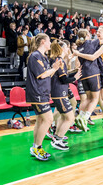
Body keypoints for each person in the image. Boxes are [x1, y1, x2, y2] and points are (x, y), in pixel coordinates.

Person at [73, 24, 103, 133]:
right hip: (97, 72)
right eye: (98, 30)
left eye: (100, 31)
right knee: (97, 97)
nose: (97, 32)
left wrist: (78, 52)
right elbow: (85, 42)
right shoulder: (94, 42)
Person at [26, 33, 62, 161]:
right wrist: (54, 68)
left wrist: (53, 70)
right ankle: (38, 148)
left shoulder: (44, 57)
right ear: (42, 42)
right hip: (37, 93)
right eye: (48, 41)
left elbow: (48, 75)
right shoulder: (35, 56)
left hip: (43, 93)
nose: (50, 44)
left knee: (41, 120)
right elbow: (42, 75)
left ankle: (35, 146)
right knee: (48, 119)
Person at [47, 40, 82, 150]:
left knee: (65, 116)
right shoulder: (60, 60)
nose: (68, 49)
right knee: (69, 117)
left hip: (59, 92)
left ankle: (57, 137)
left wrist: (74, 72)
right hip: (59, 93)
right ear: (62, 49)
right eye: (67, 47)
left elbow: (63, 76)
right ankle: (58, 140)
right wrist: (75, 78)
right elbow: (64, 79)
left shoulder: (59, 60)